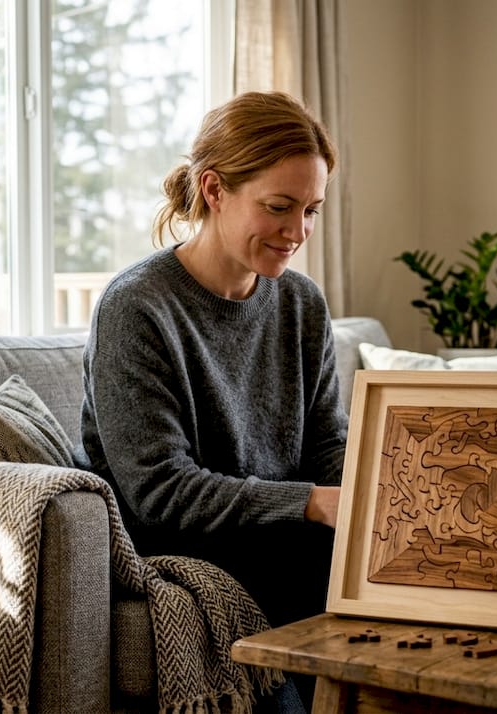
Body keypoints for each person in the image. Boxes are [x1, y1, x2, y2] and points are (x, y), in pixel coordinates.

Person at [80, 91, 346, 710]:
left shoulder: (301, 303)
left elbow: (328, 442)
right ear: (214, 189)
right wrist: (311, 504)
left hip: (291, 547)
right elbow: (158, 492)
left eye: (312, 210)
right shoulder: (138, 308)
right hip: (191, 554)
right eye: (279, 207)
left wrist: (375, 501)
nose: (297, 232)